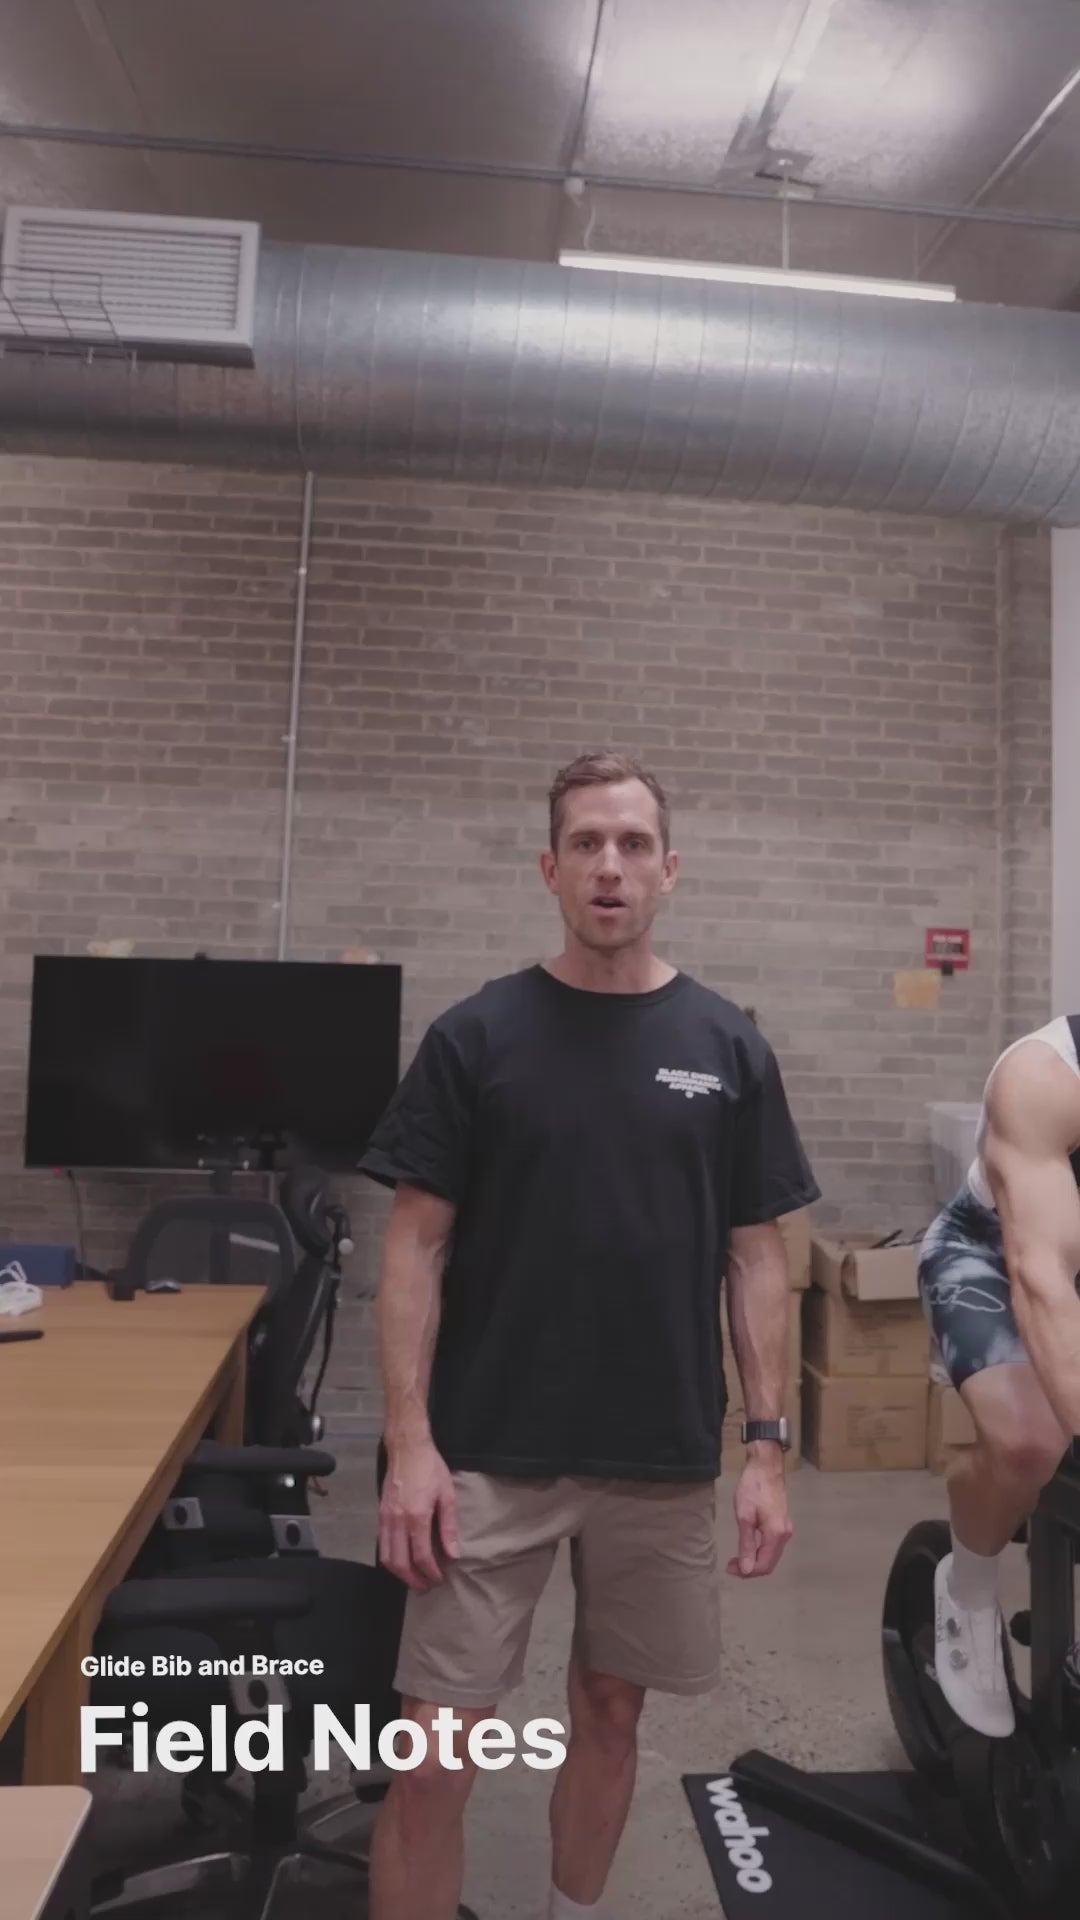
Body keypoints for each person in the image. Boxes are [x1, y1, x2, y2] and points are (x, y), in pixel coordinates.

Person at [357, 750, 819, 1920]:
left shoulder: (724, 1046)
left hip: (656, 1454)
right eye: (585, 844)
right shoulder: (478, 1037)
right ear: (549, 868)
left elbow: (756, 1256)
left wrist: (767, 1451)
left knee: (612, 1712)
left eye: (631, 844)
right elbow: (411, 1250)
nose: (609, 866)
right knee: (435, 1754)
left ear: (670, 869)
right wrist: (408, 1445)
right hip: (486, 1451)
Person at [921, 1014, 1080, 1738]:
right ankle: (968, 1585)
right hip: (991, 1256)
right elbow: (1041, 1279)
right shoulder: (1044, 1078)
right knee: (1028, 1442)